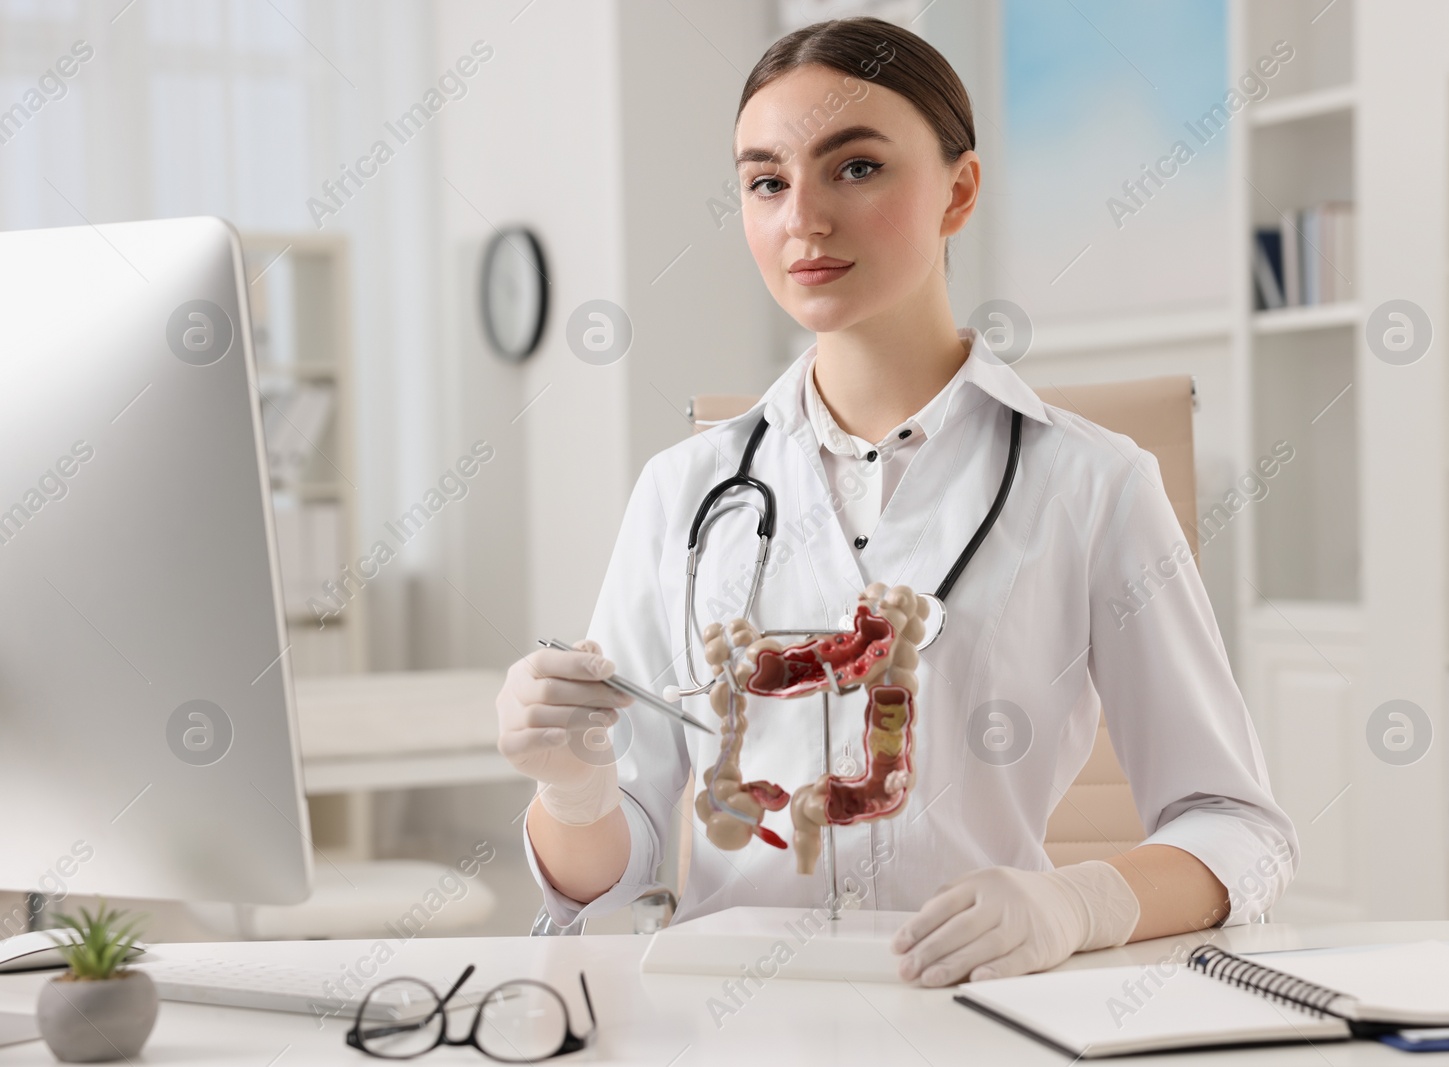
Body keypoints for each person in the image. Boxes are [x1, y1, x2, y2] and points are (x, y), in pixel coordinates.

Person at [496, 16, 1297, 988]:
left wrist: (1078, 902)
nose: (803, 218)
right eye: (765, 181)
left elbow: (1239, 827)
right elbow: (605, 884)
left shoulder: (1094, 482)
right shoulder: (685, 490)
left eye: (857, 168)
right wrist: (574, 788)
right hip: (732, 1018)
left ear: (958, 191)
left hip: (981, 1007)